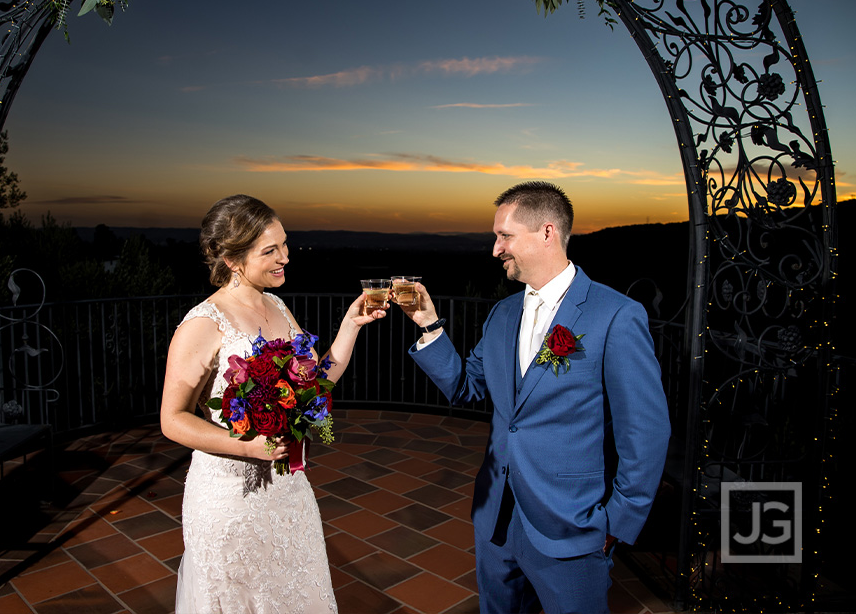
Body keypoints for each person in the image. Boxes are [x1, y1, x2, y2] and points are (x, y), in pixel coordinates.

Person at [398, 181, 670, 614]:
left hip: (572, 526)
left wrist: (617, 521)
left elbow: (646, 431)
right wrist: (429, 326)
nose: (494, 248)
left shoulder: (615, 315)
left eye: (504, 236)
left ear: (546, 232)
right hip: (496, 522)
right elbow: (466, 387)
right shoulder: (502, 313)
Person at [160, 194, 386, 614]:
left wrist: (350, 326)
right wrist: (245, 446)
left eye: (285, 244)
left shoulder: (277, 306)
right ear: (231, 259)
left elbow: (314, 385)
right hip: (229, 499)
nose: (285, 257)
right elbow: (172, 420)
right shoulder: (202, 324)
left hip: (288, 489)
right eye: (270, 251)